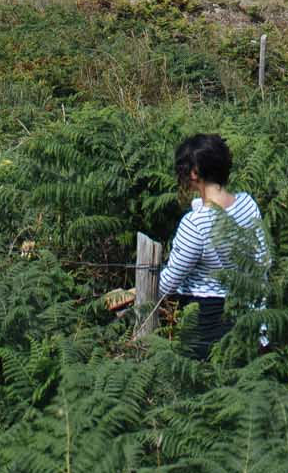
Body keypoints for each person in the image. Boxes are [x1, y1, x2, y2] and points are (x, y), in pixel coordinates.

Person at [106, 133, 269, 358]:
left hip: (208, 325)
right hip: (251, 318)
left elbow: (168, 283)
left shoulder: (195, 224)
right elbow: (262, 262)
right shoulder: (247, 204)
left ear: (194, 173)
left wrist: (130, 297)